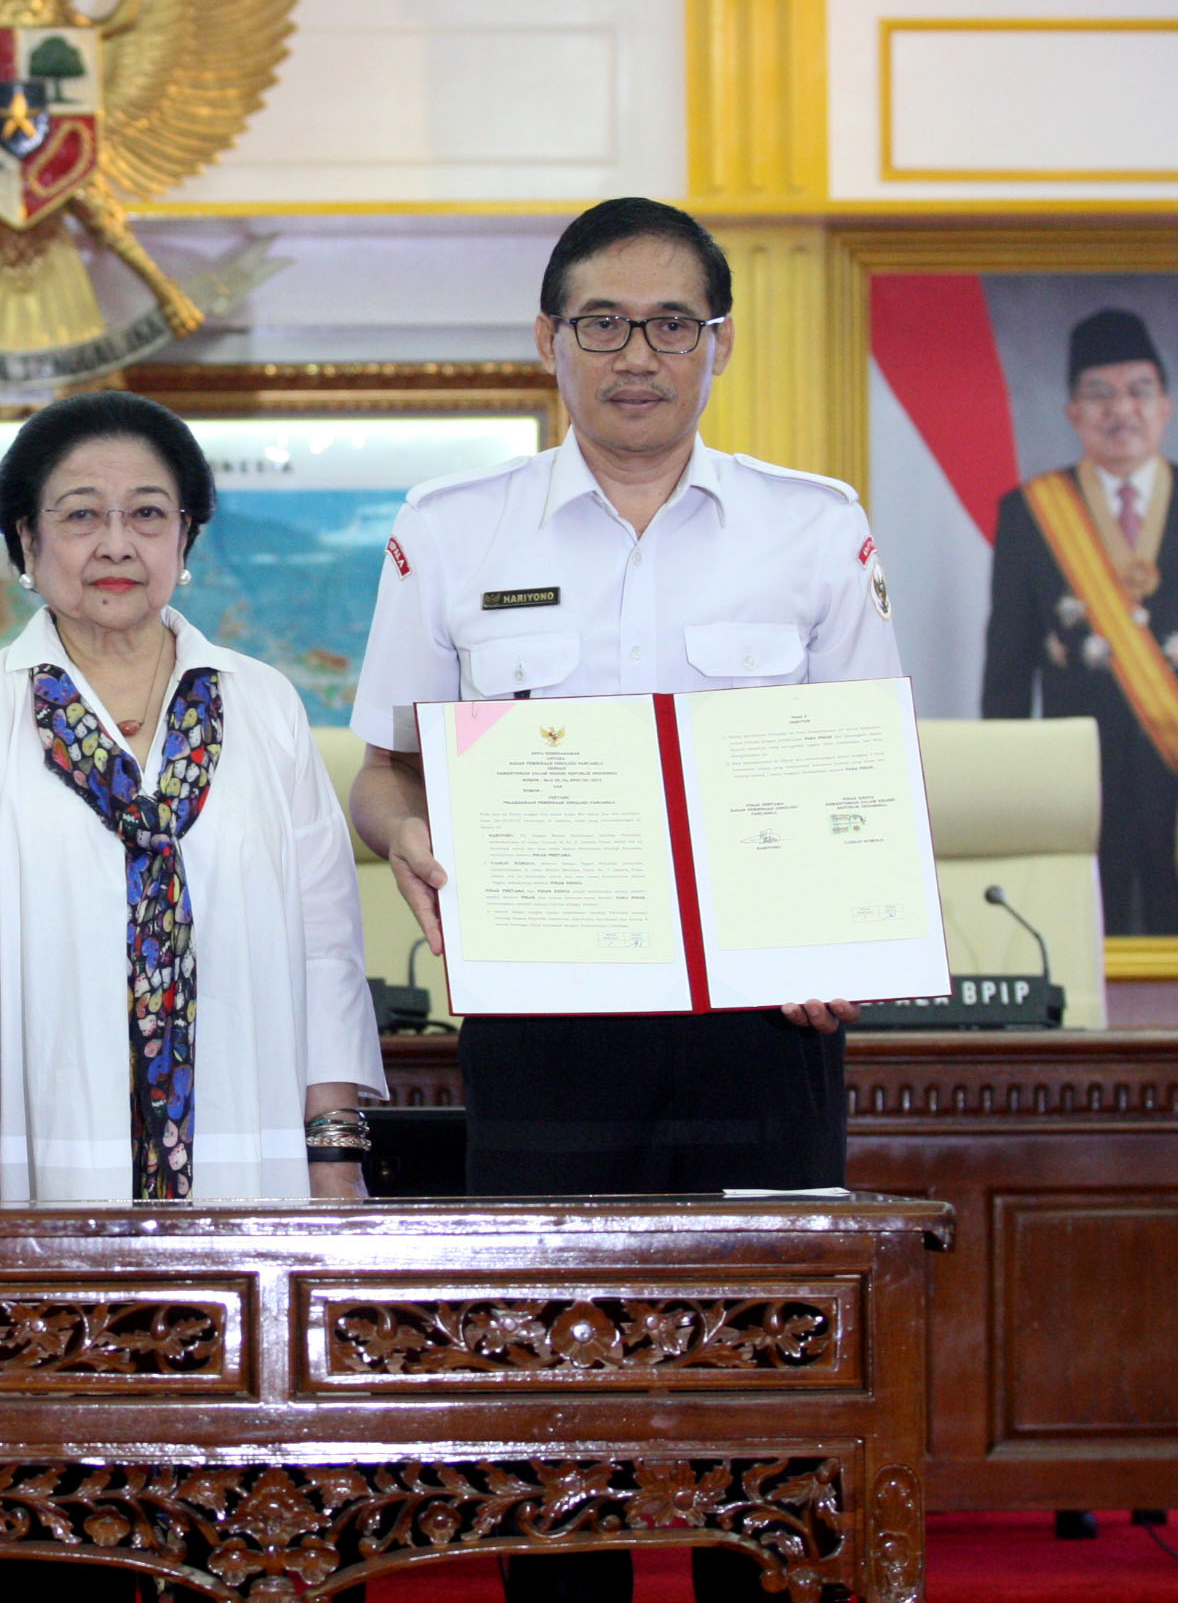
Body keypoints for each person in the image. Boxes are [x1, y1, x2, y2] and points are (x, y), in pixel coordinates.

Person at [344, 197, 896, 1603]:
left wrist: (848, 936)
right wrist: (409, 840)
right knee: (558, 1411)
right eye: (602, 323)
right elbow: (379, 777)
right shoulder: (451, 533)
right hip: (548, 1034)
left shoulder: (815, 531)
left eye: (668, 325)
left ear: (719, 342)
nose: (635, 355)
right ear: (549, 340)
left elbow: (864, 789)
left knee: (763, 1413)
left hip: (765, 1029)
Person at [0, 390, 387, 1602]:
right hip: (47, 1170)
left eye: (147, 513)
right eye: (79, 514)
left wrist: (336, 1163)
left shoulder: (256, 706)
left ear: (187, 535)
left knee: (270, 1509)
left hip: (249, 1174)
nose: (114, 543)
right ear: (24, 541)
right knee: (69, 1507)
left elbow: (322, 941)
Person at [980, 307, 1178, 934]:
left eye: (1140, 391)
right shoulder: (1031, 512)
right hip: (1079, 779)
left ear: (1166, 404)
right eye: (1101, 395)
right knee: (1086, 944)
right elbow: (1007, 659)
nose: (1123, 410)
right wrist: (1005, 778)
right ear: (1074, 412)